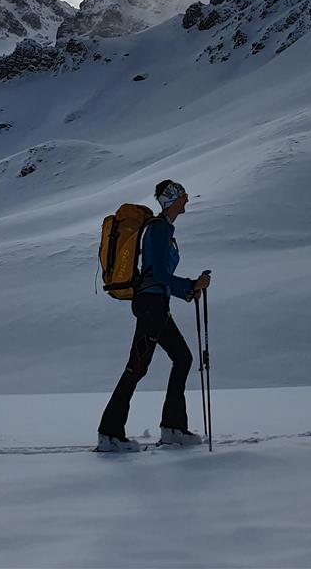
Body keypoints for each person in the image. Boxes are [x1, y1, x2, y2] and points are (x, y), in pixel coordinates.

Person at [96, 179, 211, 451]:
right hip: (151, 307)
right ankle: (111, 433)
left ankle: (172, 428)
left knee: (181, 359)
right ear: (171, 200)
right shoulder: (159, 230)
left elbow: (157, 279)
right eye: (182, 195)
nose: (186, 198)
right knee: (138, 367)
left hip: (154, 304)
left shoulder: (163, 229)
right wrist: (191, 286)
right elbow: (158, 275)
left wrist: (186, 291)